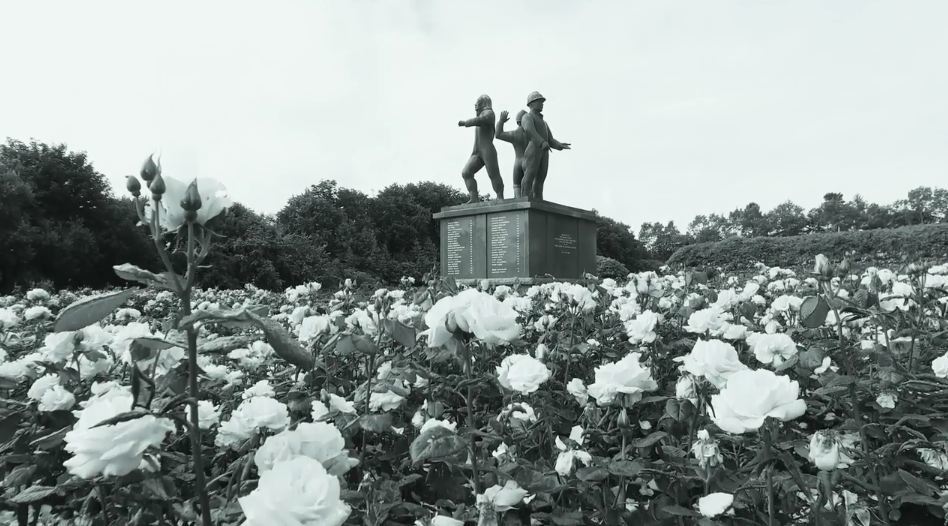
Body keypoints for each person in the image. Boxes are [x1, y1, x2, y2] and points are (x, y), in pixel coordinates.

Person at [520, 91, 570, 200]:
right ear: (531, 103)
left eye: (542, 102)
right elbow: (529, 130)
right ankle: (524, 198)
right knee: (530, 175)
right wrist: (541, 142)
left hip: (544, 151)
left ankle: (538, 199)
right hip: (533, 149)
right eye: (539, 101)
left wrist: (559, 145)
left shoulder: (544, 122)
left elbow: (550, 139)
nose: (542, 104)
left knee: (541, 178)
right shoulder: (527, 117)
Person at [457, 94, 504, 202]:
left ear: (484, 103)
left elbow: (482, 120)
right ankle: (474, 198)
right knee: (466, 172)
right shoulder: (481, 114)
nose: (475, 105)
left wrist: (466, 122)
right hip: (476, 151)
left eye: (477, 103)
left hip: (487, 150)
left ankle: (500, 196)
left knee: (493, 174)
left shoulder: (489, 113)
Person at [495, 109, 529, 198]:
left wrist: (501, 121)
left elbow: (498, 134)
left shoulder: (514, 134)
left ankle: (518, 205)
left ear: (517, 122)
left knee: (517, 186)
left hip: (517, 163)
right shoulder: (532, 135)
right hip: (529, 163)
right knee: (529, 186)